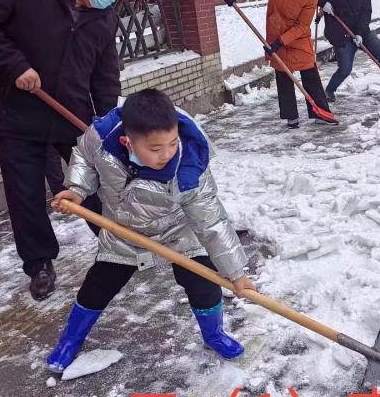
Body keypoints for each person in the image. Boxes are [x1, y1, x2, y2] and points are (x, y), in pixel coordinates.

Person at [0, 0, 132, 301]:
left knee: (95, 180)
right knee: (25, 193)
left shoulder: (102, 14)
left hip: (72, 115)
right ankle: (39, 263)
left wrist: (104, 121)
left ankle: (117, 242)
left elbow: (104, 72)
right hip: (17, 114)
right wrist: (14, 64)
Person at [47, 88, 256, 372]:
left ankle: (214, 334)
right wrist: (77, 189)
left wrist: (236, 273)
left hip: (178, 233)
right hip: (123, 232)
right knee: (97, 287)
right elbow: (83, 155)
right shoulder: (102, 138)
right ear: (127, 142)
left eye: (172, 143)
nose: (167, 154)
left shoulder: (189, 169)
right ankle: (70, 340)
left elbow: (212, 222)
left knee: (204, 285)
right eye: (156, 149)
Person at [223, 0, 333, 129]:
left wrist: (280, 42)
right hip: (276, 32)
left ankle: (320, 112)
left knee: (310, 72)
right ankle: (291, 117)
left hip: (298, 38)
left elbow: (302, 26)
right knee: (283, 75)